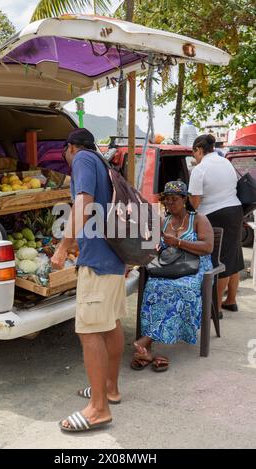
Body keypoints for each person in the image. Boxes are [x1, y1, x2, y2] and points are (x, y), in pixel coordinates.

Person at [51, 128, 127, 432]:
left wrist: (62, 245)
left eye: (64, 155)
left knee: (90, 331)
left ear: (70, 148)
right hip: (114, 256)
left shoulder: (82, 158)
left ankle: (98, 409)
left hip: (97, 261)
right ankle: (109, 388)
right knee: (111, 323)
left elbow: (83, 202)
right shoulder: (104, 162)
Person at [131, 181, 214, 371]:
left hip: (196, 268)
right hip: (170, 267)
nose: (169, 204)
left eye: (174, 200)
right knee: (153, 286)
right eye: (166, 201)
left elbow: (208, 247)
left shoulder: (199, 219)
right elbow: (150, 247)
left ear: (184, 199)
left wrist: (178, 242)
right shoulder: (163, 221)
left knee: (179, 288)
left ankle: (146, 341)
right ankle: (149, 350)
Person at [188, 134, 244, 318]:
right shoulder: (225, 162)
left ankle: (215, 309)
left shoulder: (200, 169)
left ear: (198, 149)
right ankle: (231, 301)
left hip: (215, 215)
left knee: (219, 262)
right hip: (235, 211)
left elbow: (195, 202)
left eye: (194, 152)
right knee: (233, 255)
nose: (194, 156)